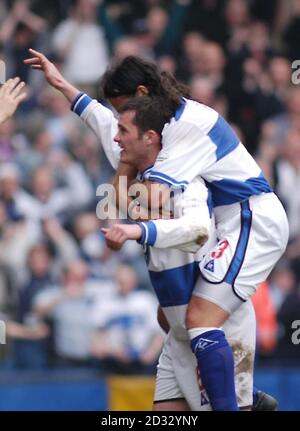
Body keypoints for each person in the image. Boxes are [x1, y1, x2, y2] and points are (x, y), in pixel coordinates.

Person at [24, 50, 280, 411]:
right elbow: (97, 119)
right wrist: (61, 83)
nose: (115, 131)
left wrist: (131, 227)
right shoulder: (145, 139)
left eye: (122, 121)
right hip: (189, 302)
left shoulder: (182, 146)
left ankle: (245, 399)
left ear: (143, 101)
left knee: (201, 319)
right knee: (174, 319)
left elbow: (166, 211)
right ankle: (244, 395)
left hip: (250, 217)